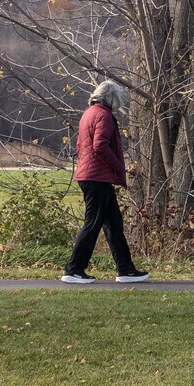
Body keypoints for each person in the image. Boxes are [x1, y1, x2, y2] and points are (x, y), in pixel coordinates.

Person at [62, 80, 149, 284]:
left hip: (91, 175)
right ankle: (73, 269)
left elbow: (79, 145)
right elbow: (100, 145)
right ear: (111, 98)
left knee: (113, 223)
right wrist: (118, 166)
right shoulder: (103, 115)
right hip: (97, 177)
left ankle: (125, 270)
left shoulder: (88, 113)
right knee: (93, 223)